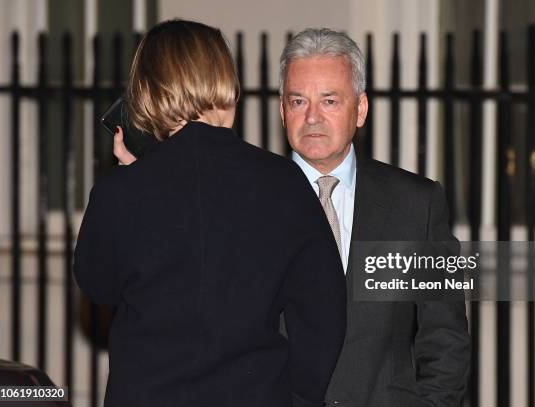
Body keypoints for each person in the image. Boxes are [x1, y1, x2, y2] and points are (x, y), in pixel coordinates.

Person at [74, 20, 346, 407]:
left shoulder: (123, 190)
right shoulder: (284, 182)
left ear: (147, 94)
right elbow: (323, 312)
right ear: (228, 86)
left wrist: (132, 179)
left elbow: (97, 283)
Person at [278, 29, 471, 407]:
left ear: (360, 109)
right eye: (298, 100)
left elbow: (445, 339)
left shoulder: (416, 205)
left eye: (329, 101)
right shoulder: (249, 203)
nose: (312, 117)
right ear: (282, 109)